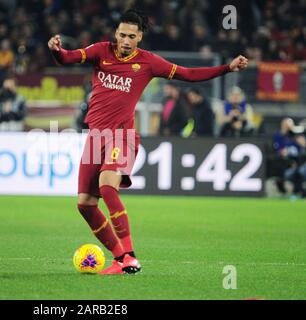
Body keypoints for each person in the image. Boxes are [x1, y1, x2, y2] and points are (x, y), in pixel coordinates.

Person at [48, 9, 248, 274]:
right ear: (116, 34)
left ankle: (130, 255)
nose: (126, 40)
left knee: (108, 187)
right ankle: (120, 258)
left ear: (139, 37)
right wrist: (56, 51)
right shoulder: (101, 51)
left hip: (123, 135)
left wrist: (227, 68)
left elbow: (188, 74)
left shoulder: (148, 62)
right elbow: (69, 58)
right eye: (122, 35)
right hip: (96, 137)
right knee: (85, 204)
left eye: (131, 36)